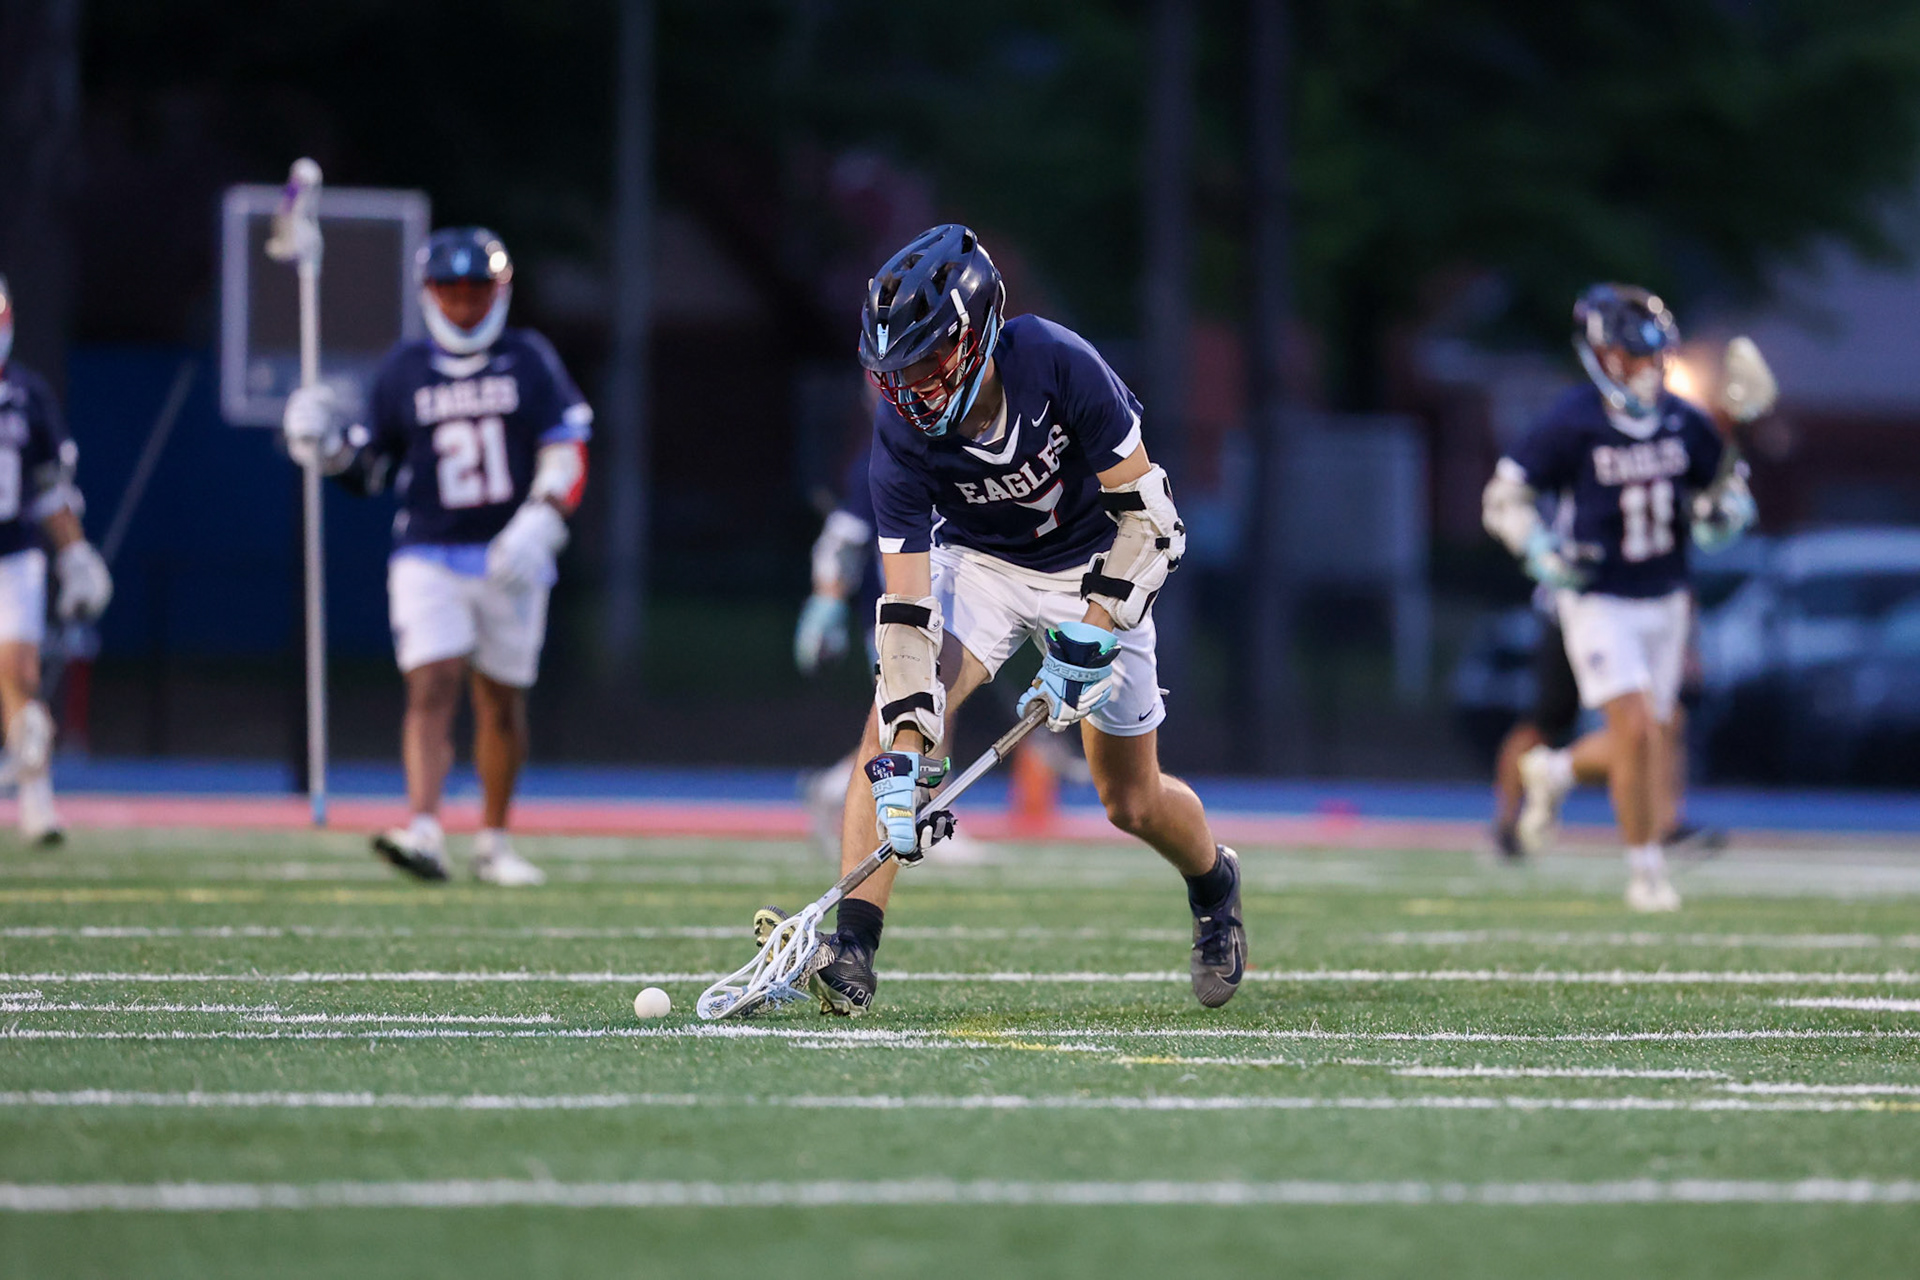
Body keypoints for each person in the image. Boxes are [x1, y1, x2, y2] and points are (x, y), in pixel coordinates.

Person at [801, 223, 1244, 1014]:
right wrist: (904, 760)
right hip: (984, 568)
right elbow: (905, 613)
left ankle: (1214, 884)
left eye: (928, 362)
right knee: (889, 740)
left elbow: (1155, 521)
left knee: (1129, 802)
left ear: (975, 336)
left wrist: (1099, 625)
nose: (913, 388)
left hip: (1097, 563)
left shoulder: (1054, 361)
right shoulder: (901, 432)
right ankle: (854, 947)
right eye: (897, 371)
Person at [279, 228, 590, 886]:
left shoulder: (529, 360)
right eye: (449, 291)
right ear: (428, 294)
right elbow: (370, 472)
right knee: (431, 683)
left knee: (502, 700)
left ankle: (494, 841)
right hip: (428, 550)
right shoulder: (404, 370)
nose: (463, 305)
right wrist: (327, 452)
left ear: (499, 292)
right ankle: (423, 827)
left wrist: (541, 519)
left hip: (513, 549)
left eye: (475, 290)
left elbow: (568, 451)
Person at [1483, 284, 1758, 910]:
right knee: (1634, 728)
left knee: (1651, 736)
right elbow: (1505, 497)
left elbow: (1726, 504)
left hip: (1664, 597)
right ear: (1606, 357)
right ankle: (1646, 871)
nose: (1652, 367)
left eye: (1657, 354)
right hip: (1598, 595)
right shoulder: (1573, 421)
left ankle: (1554, 772)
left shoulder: (1685, 421)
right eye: (1639, 355)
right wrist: (1540, 549)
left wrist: (1725, 515)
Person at [0, 275, 114, 843]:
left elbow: (50, 488)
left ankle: (36, 800)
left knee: (18, 674)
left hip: (13, 553)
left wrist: (74, 554)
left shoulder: (27, 395)